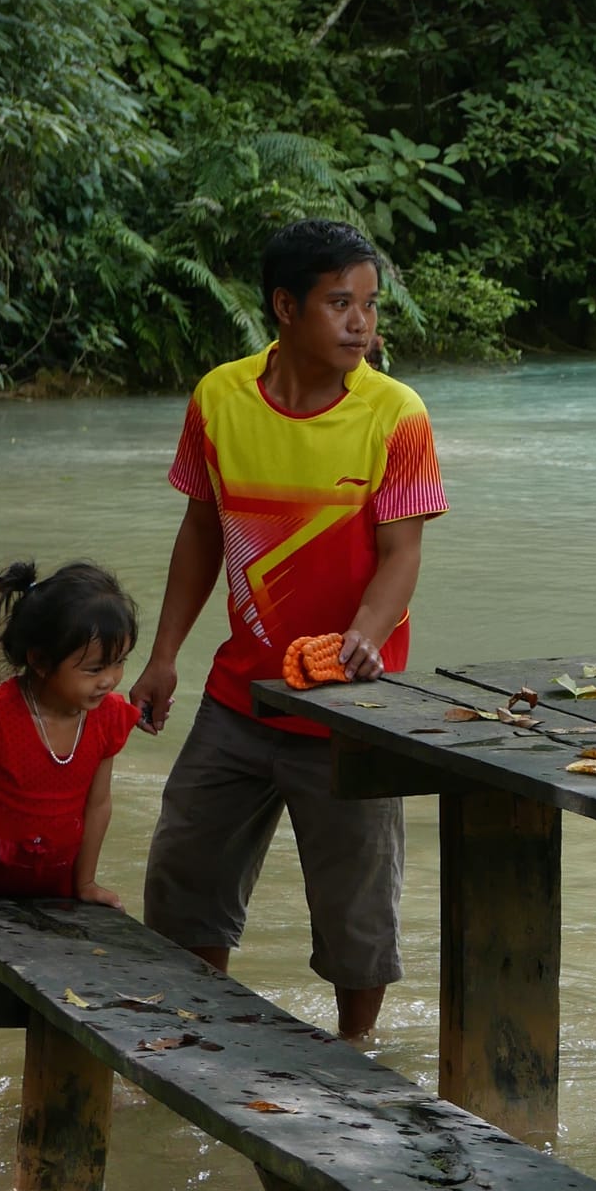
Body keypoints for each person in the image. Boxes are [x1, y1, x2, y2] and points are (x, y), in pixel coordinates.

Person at [128, 218, 447, 1043]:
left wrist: (365, 638)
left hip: (353, 713)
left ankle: (355, 1056)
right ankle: (201, 1039)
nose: (361, 324)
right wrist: (164, 656)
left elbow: (401, 554)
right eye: (339, 303)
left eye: (369, 304)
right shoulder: (219, 399)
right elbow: (203, 529)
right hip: (240, 698)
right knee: (181, 878)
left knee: (358, 919)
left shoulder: (396, 415)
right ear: (284, 306)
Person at [0, 561, 141, 1124]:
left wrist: (85, 883)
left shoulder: (108, 720)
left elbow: (97, 803)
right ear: (38, 661)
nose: (108, 680)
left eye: (117, 664)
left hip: (55, 896)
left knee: (71, 1032)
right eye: (92, 668)